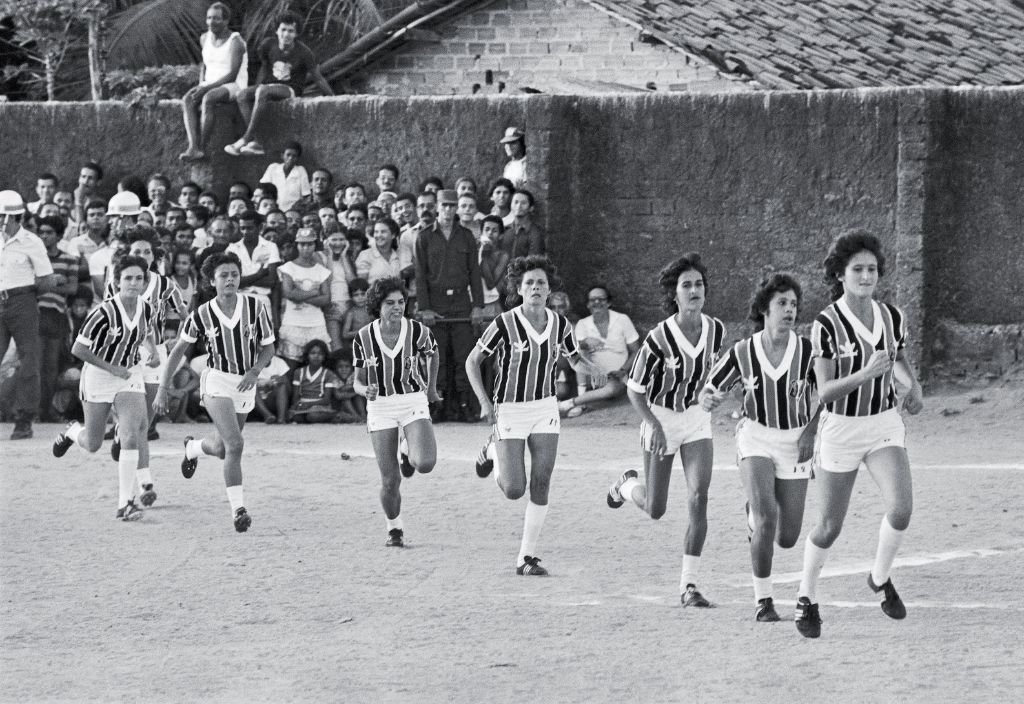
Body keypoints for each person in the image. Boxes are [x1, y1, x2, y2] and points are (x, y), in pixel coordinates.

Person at [792, 231, 923, 639]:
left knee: (901, 508)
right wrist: (865, 372)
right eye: (858, 270)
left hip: (883, 423)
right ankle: (806, 597)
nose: (867, 276)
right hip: (841, 430)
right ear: (841, 274)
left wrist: (912, 386)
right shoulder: (827, 324)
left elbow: (898, 357)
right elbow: (825, 391)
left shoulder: (892, 316)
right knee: (829, 525)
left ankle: (880, 578)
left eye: (872, 269)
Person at [466, 255, 604, 576]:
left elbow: (573, 359)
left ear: (549, 288)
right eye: (529, 283)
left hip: (545, 408)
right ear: (519, 288)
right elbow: (473, 362)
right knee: (514, 489)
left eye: (541, 282)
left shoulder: (559, 324)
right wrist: (485, 403)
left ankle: (526, 557)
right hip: (510, 408)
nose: (536, 287)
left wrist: (592, 367)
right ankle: (492, 451)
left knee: (541, 482)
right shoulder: (504, 323)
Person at [606, 253, 725, 608]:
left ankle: (689, 585)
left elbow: (711, 376)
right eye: (686, 285)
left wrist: (711, 395)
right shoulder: (658, 338)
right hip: (659, 417)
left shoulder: (715, 329)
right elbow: (634, 389)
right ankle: (627, 486)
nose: (694, 290)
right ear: (674, 294)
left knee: (698, 497)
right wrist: (654, 425)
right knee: (656, 508)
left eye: (698, 284)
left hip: (695, 421)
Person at [699, 274, 820, 623]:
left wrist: (811, 430)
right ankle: (763, 601)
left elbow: (828, 393)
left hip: (796, 439)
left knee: (787, 537)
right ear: (764, 309)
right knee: (767, 518)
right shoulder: (743, 351)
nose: (790, 310)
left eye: (794, 304)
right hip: (755, 437)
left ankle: (753, 516)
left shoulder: (809, 351)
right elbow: (708, 389)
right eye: (782, 303)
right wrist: (708, 398)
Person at [154, 252, 277, 533]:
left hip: (245, 382)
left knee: (223, 448)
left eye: (234, 273)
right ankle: (238, 510)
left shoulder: (256, 307)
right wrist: (162, 387)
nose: (230, 279)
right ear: (212, 281)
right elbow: (177, 352)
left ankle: (193, 448)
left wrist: (255, 370)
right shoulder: (202, 314)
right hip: (216, 381)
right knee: (235, 445)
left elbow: (269, 347)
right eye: (224, 275)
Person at [52, 255, 159, 521]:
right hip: (99, 376)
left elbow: (145, 333)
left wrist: (153, 351)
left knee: (132, 433)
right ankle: (73, 431)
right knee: (93, 443)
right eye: (128, 278)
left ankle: (126, 503)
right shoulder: (102, 313)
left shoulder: (147, 308)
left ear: (145, 281)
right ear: (117, 281)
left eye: (139, 278)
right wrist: (111, 368)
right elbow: (79, 348)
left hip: (129, 375)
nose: (134, 283)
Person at [352, 276, 440, 547]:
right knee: (390, 480)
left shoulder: (418, 331)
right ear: (377, 306)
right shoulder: (364, 337)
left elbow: (433, 354)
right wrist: (362, 390)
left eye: (401, 302)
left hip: (413, 399)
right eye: (390, 303)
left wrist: (431, 389)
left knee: (425, 463)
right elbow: (357, 381)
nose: (397, 307)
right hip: (381, 406)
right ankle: (394, 527)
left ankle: (406, 449)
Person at [415, 189, 485, 422]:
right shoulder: (424, 237)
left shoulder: (465, 236)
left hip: (461, 303)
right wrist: (424, 307)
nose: (448, 210)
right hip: (435, 303)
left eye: (452, 206)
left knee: (464, 355)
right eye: (444, 205)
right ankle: (437, 404)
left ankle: (465, 404)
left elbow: (474, 273)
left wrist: (477, 306)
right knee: (436, 356)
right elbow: (420, 275)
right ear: (436, 207)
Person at [224, 12, 334, 157]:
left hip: (290, 89)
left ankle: (246, 138)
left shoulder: (304, 52)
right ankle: (257, 142)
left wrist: (332, 97)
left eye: (291, 31)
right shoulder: (268, 45)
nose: (286, 34)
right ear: (277, 31)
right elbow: (264, 68)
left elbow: (318, 78)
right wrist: (255, 89)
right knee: (241, 95)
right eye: (283, 30)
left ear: (296, 34)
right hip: (268, 87)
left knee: (263, 91)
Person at [1, 190, 55, 439]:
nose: (1, 221)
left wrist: (26, 295)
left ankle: (24, 418)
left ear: (16, 218)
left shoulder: (32, 241)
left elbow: (46, 279)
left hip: (22, 299)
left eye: (4, 216)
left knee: (29, 359)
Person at [180, 1, 248, 161]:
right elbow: (205, 64)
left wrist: (206, 89)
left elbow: (232, 75)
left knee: (208, 99)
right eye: (209, 18)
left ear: (226, 21)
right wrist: (201, 84)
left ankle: (202, 147)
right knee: (187, 99)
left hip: (233, 85)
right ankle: (193, 147)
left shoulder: (236, 42)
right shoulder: (204, 38)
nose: (212, 22)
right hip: (209, 83)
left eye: (217, 18)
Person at [559, 285, 639, 418]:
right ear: (588, 305)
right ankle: (581, 398)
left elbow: (636, 351)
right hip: (592, 376)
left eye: (601, 299)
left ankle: (571, 403)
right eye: (593, 300)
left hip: (617, 376)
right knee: (581, 350)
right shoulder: (583, 324)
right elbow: (574, 352)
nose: (597, 302)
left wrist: (624, 370)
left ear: (609, 303)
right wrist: (585, 344)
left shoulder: (622, 320)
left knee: (612, 389)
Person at [35, 216, 80, 422]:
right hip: (35, 314)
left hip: (56, 316)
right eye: (41, 232)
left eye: (49, 232)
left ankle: (47, 410)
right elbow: (28, 285)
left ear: (59, 235)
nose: (44, 236)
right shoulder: (34, 258)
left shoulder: (70, 259)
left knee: (51, 365)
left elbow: (72, 288)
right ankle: (35, 410)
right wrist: (54, 281)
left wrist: (44, 283)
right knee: (34, 364)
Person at [277, 228, 331, 365]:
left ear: (315, 245)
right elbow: (288, 293)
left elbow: (326, 299)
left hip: (315, 323)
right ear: (297, 245)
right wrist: (313, 293)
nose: (306, 248)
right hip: (293, 322)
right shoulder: (288, 267)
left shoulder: (321, 271)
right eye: (302, 244)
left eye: (309, 244)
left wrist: (299, 294)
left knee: (316, 363)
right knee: (291, 365)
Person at [317, 228, 355, 351]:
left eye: (341, 240)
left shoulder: (347, 257)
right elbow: (328, 279)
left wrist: (343, 257)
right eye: (334, 240)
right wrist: (330, 256)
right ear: (326, 241)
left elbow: (352, 282)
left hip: (348, 304)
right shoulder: (320, 256)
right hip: (331, 305)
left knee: (349, 345)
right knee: (336, 345)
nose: (338, 243)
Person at [288, 338, 341, 423]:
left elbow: (326, 399)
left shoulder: (328, 373)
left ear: (324, 357)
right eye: (313, 353)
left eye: (320, 354)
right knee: (295, 418)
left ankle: (335, 415)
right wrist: (297, 405)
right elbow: (295, 397)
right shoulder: (298, 372)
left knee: (312, 416)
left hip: (320, 406)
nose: (316, 356)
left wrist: (309, 404)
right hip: (302, 405)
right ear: (307, 355)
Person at [259, 141, 311, 212]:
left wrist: (297, 208)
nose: (290, 158)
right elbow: (262, 188)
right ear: (282, 155)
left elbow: (306, 195)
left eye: (294, 156)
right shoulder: (273, 168)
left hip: (293, 211)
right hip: (272, 209)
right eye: (288, 155)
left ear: (298, 158)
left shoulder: (300, 171)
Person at [356, 217, 402, 285]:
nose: (378, 235)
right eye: (376, 232)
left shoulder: (398, 255)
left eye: (383, 232)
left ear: (393, 235)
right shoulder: (365, 255)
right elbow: (362, 285)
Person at [503, 189, 545, 258]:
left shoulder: (535, 233)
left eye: (523, 203)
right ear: (511, 205)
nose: (519, 206)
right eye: (516, 202)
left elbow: (533, 262)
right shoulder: (504, 230)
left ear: (531, 208)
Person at [341, 277, 371, 352]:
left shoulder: (372, 310)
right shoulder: (351, 313)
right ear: (351, 297)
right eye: (356, 295)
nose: (360, 297)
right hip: (357, 347)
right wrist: (364, 331)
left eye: (363, 294)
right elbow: (345, 334)